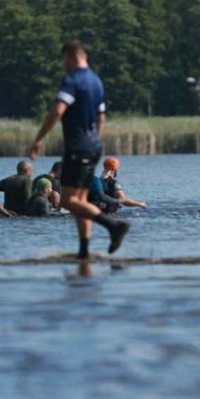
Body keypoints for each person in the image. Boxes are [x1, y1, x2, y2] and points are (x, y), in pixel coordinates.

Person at [27, 40, 129, 259]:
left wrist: (38, 140)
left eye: (64, 60)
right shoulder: (96, 81)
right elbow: (101, 117)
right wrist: (95, 140)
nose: (64, 65)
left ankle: (113, 226)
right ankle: (84, 250)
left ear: (73, 56)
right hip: (93, 146)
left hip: (77, 147)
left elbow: (57, 110)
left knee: (68, 201)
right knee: (81, 201)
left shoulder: (72, 79)